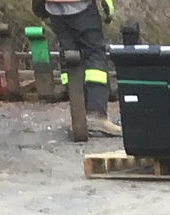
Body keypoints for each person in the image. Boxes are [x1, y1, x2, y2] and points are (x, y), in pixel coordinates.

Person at [37, 0, 119, 135]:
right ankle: (96, 114)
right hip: (81, 6)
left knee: (70, 54)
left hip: (54, 8)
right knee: (94, 55)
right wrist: (107, 5)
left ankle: (79, 116)